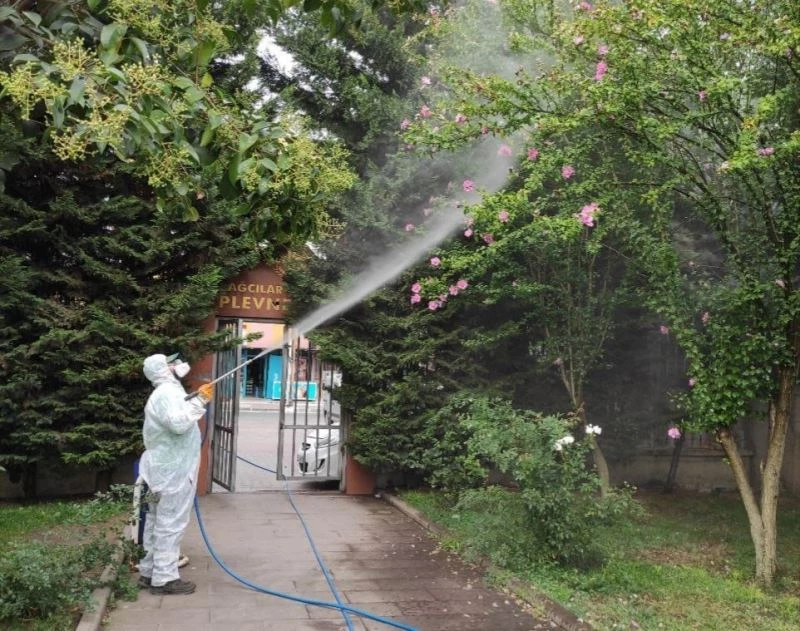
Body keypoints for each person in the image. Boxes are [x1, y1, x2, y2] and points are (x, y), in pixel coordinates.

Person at [137, 352, 212, 595]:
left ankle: (149, 572)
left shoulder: (167, 391)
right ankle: (165, 579)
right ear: (164, 369)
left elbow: (176, 417)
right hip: (171, 475)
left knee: (154, 521)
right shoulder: (167, 393)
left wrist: (194, 399)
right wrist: (199, 401)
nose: (177, 364)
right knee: (170, 523)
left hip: (157, 473)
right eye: (171, 363)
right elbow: (179, 424)